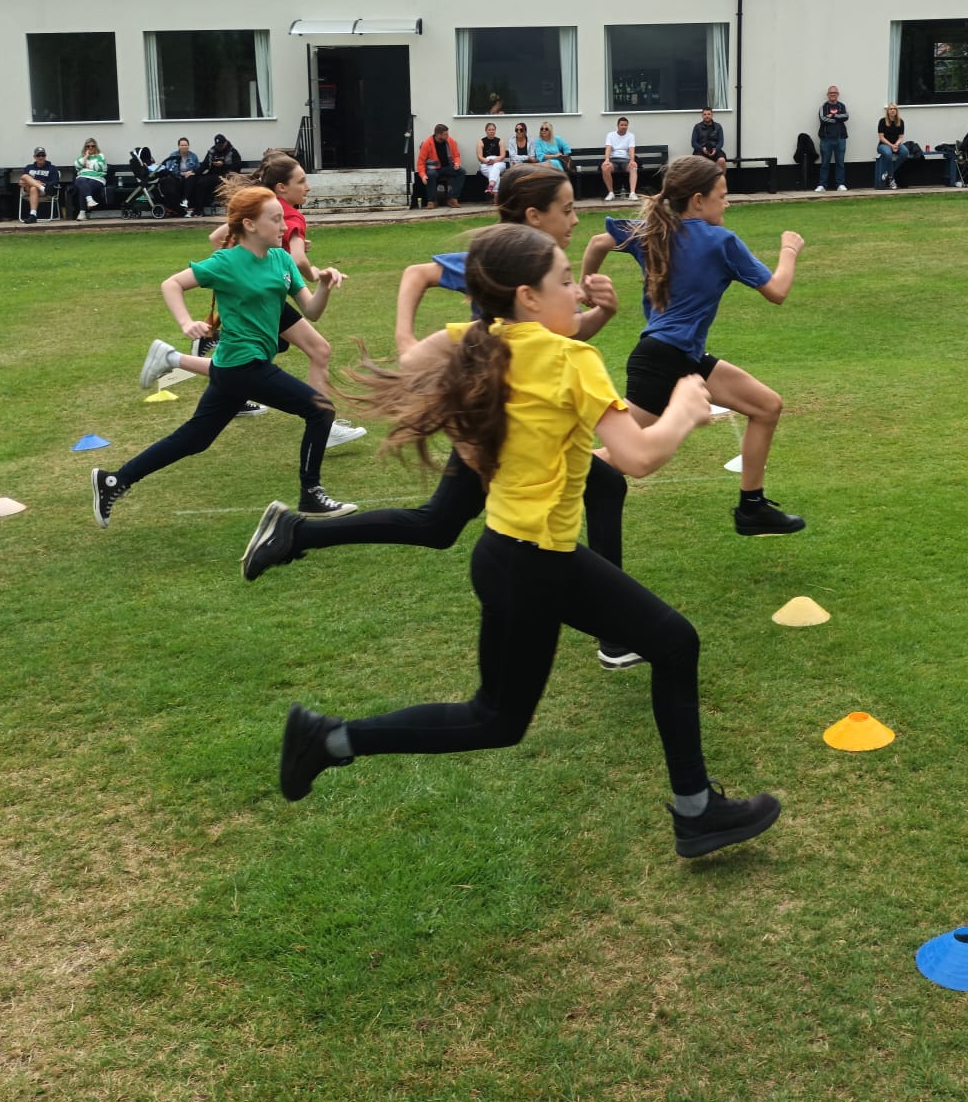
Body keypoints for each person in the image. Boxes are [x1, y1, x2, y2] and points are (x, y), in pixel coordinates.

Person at [274, 224, 783, 861]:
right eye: (565, 281)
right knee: (501, 715)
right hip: (533, 565)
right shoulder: (573, 362)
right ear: (528, 297)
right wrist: (685, 404)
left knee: (653, 652)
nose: (578, 288)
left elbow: (414, 361)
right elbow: (640, 456)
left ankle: (697, 809)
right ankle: (327, 740)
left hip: (517, 558)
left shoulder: (475, 340)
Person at [245, 167, 632, 641]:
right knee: (592, 489)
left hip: (525, 419)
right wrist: (406, 339)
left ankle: (296, 533)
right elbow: (418, 273)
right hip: (496, 421)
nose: (575, 220)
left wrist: (601, 312)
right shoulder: (501, 256)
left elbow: (561, 338)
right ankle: (617, 627)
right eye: (567, 209)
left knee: (442, 524)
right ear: (535, 214)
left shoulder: (547, 269)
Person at [91, 185, 355, 529]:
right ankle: (311, 493)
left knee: (195, 438)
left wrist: (323, 285)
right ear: (250, 225)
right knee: (320, 409)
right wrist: (187, 323)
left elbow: (312, 312)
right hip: (243, 365)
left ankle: (114, 481)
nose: (283, 226)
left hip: (235, 368)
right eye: (275, 220)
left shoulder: (281, 259)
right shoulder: (225, 263)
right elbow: (171, 284)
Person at [582, 155, 807, 536]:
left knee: (767, 405)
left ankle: (751, 508)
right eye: (723, 196)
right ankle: (547, 474)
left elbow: (597, 241)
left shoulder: (651, 230)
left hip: (677, 355)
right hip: (663, 360)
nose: (728, 203)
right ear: (698, 200)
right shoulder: (721, 241)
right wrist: (789, 250)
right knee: (622, 455)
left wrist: (587, 282)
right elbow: (778, 291)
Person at [142, 154, 367, 448]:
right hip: (266, 292)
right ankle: (325, 422)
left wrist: (245, 262)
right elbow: (297, 259)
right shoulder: (291, 215)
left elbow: (217, 238)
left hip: (261, 289)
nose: (308, 187)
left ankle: (177, 359)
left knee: (257, 358)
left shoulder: (258, 205)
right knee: (306, 352)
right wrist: (314, 274)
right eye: (301, 181)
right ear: (282, 188)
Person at [155, 137, 213, 217]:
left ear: (188, 146)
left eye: (185, 145)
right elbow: (170, 169)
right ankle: (182, 205)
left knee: (191, 179)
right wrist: (183, 174)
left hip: (190, 177)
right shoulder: (173, 155)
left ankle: (185, 200)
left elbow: (198, 169)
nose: (184, 147)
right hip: (177, 176)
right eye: (182, 145)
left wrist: (192, 172)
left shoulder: (193, 156)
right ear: (178, 146)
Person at [417, 124, 465, 207]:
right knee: (430, 174)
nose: (448, 136)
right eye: (445, 134)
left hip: (447, 167)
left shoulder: (450, 141)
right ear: (438, 135)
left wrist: (457, 163)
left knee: (461, 172)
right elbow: (420, 162)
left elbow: (456, 155)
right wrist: (423, 175)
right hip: (434, 168)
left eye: (447, 133)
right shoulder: (427, 143)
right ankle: (432, 201)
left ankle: (452, 198)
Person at [815, 85, 849, 193]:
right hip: (826, 139)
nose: (832, 95)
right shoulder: (823, 107)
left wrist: (833, 116)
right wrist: (838, 117)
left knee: (840, 163)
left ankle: (840, 184)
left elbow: (846, 116)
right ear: (827, 95)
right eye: (831, 93)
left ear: (838, 94)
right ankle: (822, 185)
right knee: (825, 163)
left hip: (840, 138)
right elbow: (823, 118)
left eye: (834, 93)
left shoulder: (842, 106)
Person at [602, 117, 639, 201]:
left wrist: (632, 160)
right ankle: (611, 193)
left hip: (625, 160)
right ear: (617, 125)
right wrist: (607, 160)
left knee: (633, 166)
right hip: (613, 160)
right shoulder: (610, 135)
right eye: (622, 125)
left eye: (625, 125)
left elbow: (631, 149)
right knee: (605, 167)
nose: (623, 127)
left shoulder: (631, 136)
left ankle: (632, 193)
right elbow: (608, 148)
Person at [19, 146, 59, 222]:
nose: (41, 157)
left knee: (33, 188)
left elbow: (55, 181)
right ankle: (41, 187)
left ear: (45, 156)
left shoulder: (52, 168)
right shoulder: (29, 167)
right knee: (25, 176)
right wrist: (37, 182)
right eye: (38, 155)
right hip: (32, 189)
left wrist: (43, 184)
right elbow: (21, 182)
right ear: (34, 157)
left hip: (45, 191)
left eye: (43, 155)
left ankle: (33, 215)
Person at [875, 103, 909, 189]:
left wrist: (896, 144)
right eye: (890, 109)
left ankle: (888, 173)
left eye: (894, 109)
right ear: (888, 111)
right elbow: (881, 137)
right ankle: (891, 179)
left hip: (896, 144)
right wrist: (891, 146)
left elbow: (901, 137)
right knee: (888, 153)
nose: (893, 110)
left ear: (897, 111)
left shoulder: (900, 121)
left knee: (905, 151)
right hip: (883, 145)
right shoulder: (882, 121)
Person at [74, 138, 111, 218]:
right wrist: (86, 156)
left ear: (96, 147)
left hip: (97, 178)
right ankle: (90, 200)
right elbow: (77, 166)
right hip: (82, 177)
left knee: (83, 188)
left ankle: (82, 212)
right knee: (81, 181)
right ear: (85, 147)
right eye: (88, 146)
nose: (90, 148)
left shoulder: (100, 156)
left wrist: (87, 165)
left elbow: (100, 167)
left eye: (92, 146)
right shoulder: (82, 157)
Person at [476, 123, 511, 197]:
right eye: (489, 130)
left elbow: (502, 155)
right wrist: (487, 161)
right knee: (495, 173)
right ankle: (495, 195)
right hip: (485, 163)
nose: (491, 131)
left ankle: (491, 186)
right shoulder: (481, 142)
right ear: (486, 131)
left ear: (495, 131)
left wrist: (494, 161)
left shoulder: (500, 141)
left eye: (493, 130)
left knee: (495, 167)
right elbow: (479, 157)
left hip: (499, 162)